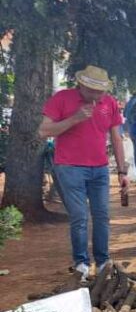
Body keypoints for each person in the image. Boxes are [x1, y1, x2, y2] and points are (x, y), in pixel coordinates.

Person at [39, 65, 129, 281]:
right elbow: (43, 131)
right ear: (81, 85)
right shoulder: (62, 99)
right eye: (92, 90)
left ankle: (103, 260)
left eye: (101, 91)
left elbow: (116, 137)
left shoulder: (109, 103)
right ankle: (81, 262)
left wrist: (122, 169)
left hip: (99, 168)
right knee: (79, 216)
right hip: (70, 167)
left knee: (102, 215)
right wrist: (74, 118)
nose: (97, 95)